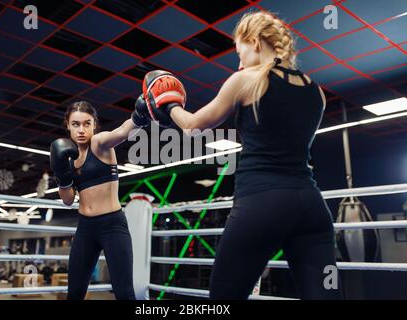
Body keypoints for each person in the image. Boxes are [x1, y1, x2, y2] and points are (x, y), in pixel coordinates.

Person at [142, 11, 342, 299]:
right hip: (312, 208)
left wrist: (168, 104)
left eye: (240, 51)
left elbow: (193, 127)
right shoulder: (316, 91)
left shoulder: (246, 79)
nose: (239, 62)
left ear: (255, 42)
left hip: (262, 205)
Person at [49, 96, 150, 300]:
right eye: (75, 124)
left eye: (87, 124)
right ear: (67, 126)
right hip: (85, 229)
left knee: (124, 292)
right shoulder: (69, 158)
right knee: (75, 292)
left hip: (112, 225)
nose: (81, 130)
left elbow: (120, 132)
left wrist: (139, 116)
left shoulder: (99, 143)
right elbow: (68, 200)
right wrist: (61, 173)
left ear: (94, 125)